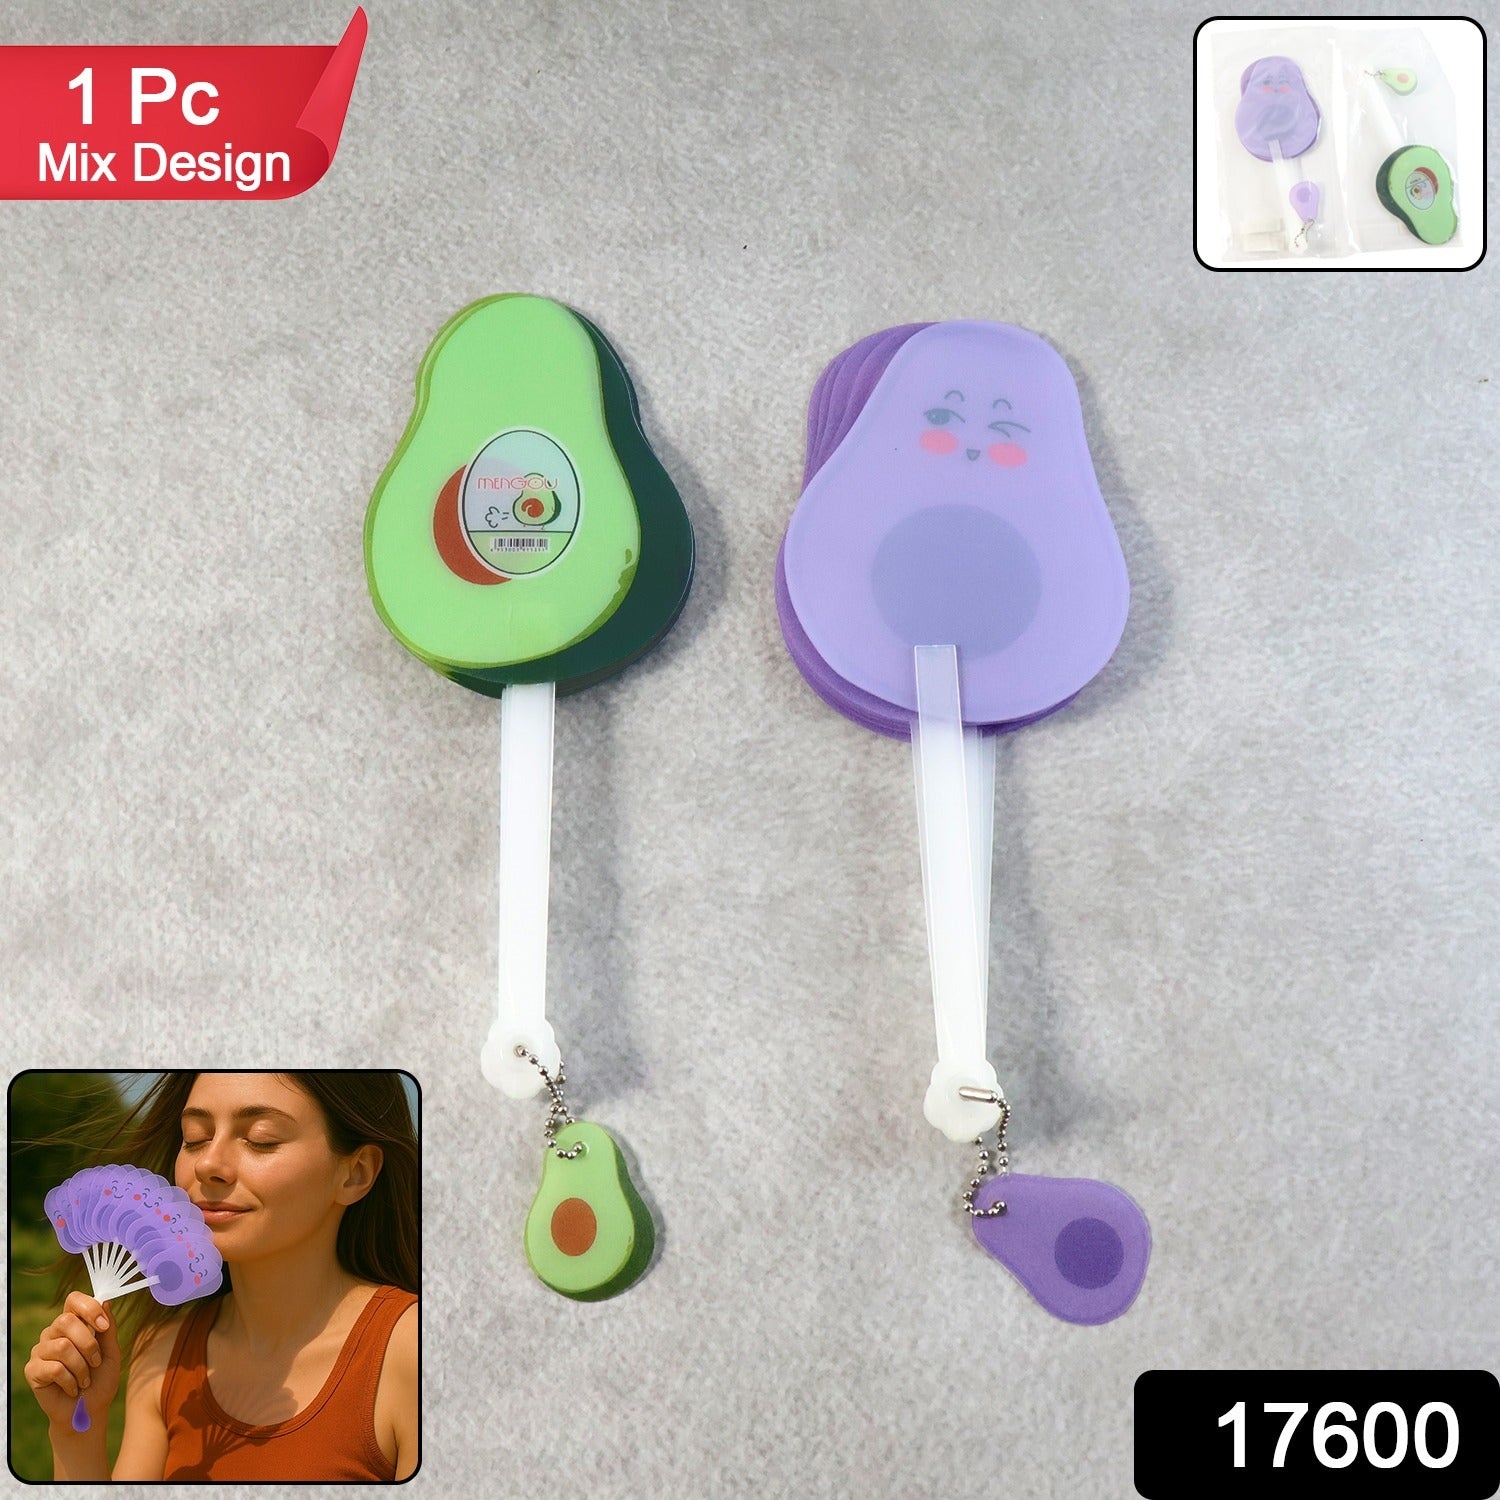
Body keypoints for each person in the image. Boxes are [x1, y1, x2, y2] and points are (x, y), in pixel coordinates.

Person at [23, 1072, 419, 1482]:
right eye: (195, 1138)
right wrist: (74, 1432)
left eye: (261, 1139)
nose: (208, 1164)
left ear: (356, 1173)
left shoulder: (410, 1350)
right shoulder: (164, 1353)